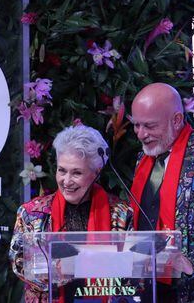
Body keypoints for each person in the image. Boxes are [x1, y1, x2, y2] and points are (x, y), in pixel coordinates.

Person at [9, 125, 133, 302]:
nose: (66, 181)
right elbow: (20, 262)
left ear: (95, 174)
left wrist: (77, 264)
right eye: (62, 170)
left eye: (77, 173)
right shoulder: (31, 213)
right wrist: (65, 269)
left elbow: (132, 270)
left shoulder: (122, 214)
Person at [130, 82, 194, 302]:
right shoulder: (144, 157)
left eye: (149, 126)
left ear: (176, 120)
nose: (141, 134)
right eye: (136, 125)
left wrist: (192, 260)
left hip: (193, 290)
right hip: (147, 285)